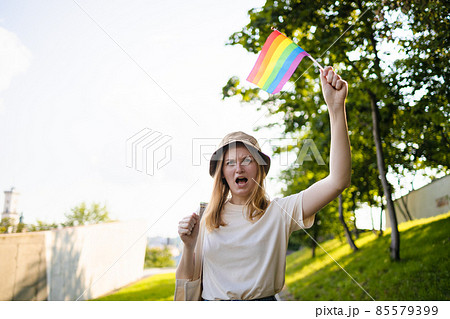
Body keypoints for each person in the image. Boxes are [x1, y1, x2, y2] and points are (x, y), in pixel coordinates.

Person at [176, 66, 351, 301]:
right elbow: (187, 283)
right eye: (230, 163)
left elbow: (338, 181)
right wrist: (188, 246)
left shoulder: (279, 212)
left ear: (259, 169)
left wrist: (336, 108)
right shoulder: (206, 217)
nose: (238, 167)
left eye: (247, 159)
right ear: (222, 174)